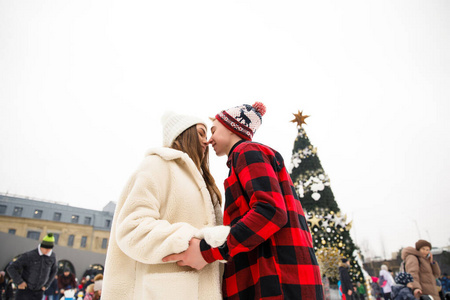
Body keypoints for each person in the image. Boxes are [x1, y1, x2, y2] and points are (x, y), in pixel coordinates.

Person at [164, 102, 324, 299]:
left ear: (232, 128)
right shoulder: (244, 159)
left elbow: (270, 211)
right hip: (277, 278)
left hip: (276, 280)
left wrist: (207, 251)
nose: (209, 139)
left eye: (213, 130)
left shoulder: (247, 151)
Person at [101, 111, 225, 299]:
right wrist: (191, 241)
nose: (206, 141)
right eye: (201, 133)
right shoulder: (157, 165)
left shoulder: (204, 183)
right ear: (183, 134)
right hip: (165, 291)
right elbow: (132, 229)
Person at [6, 233, 58, 300]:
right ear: (42, 246)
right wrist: (19, 282)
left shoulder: (52, 257)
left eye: (50, 249)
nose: (48, 251)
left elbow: (54, 271)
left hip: (39, 292)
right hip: (24, 290)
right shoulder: (29, 255)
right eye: (46, 248)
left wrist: (46, 285)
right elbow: (11, 268)